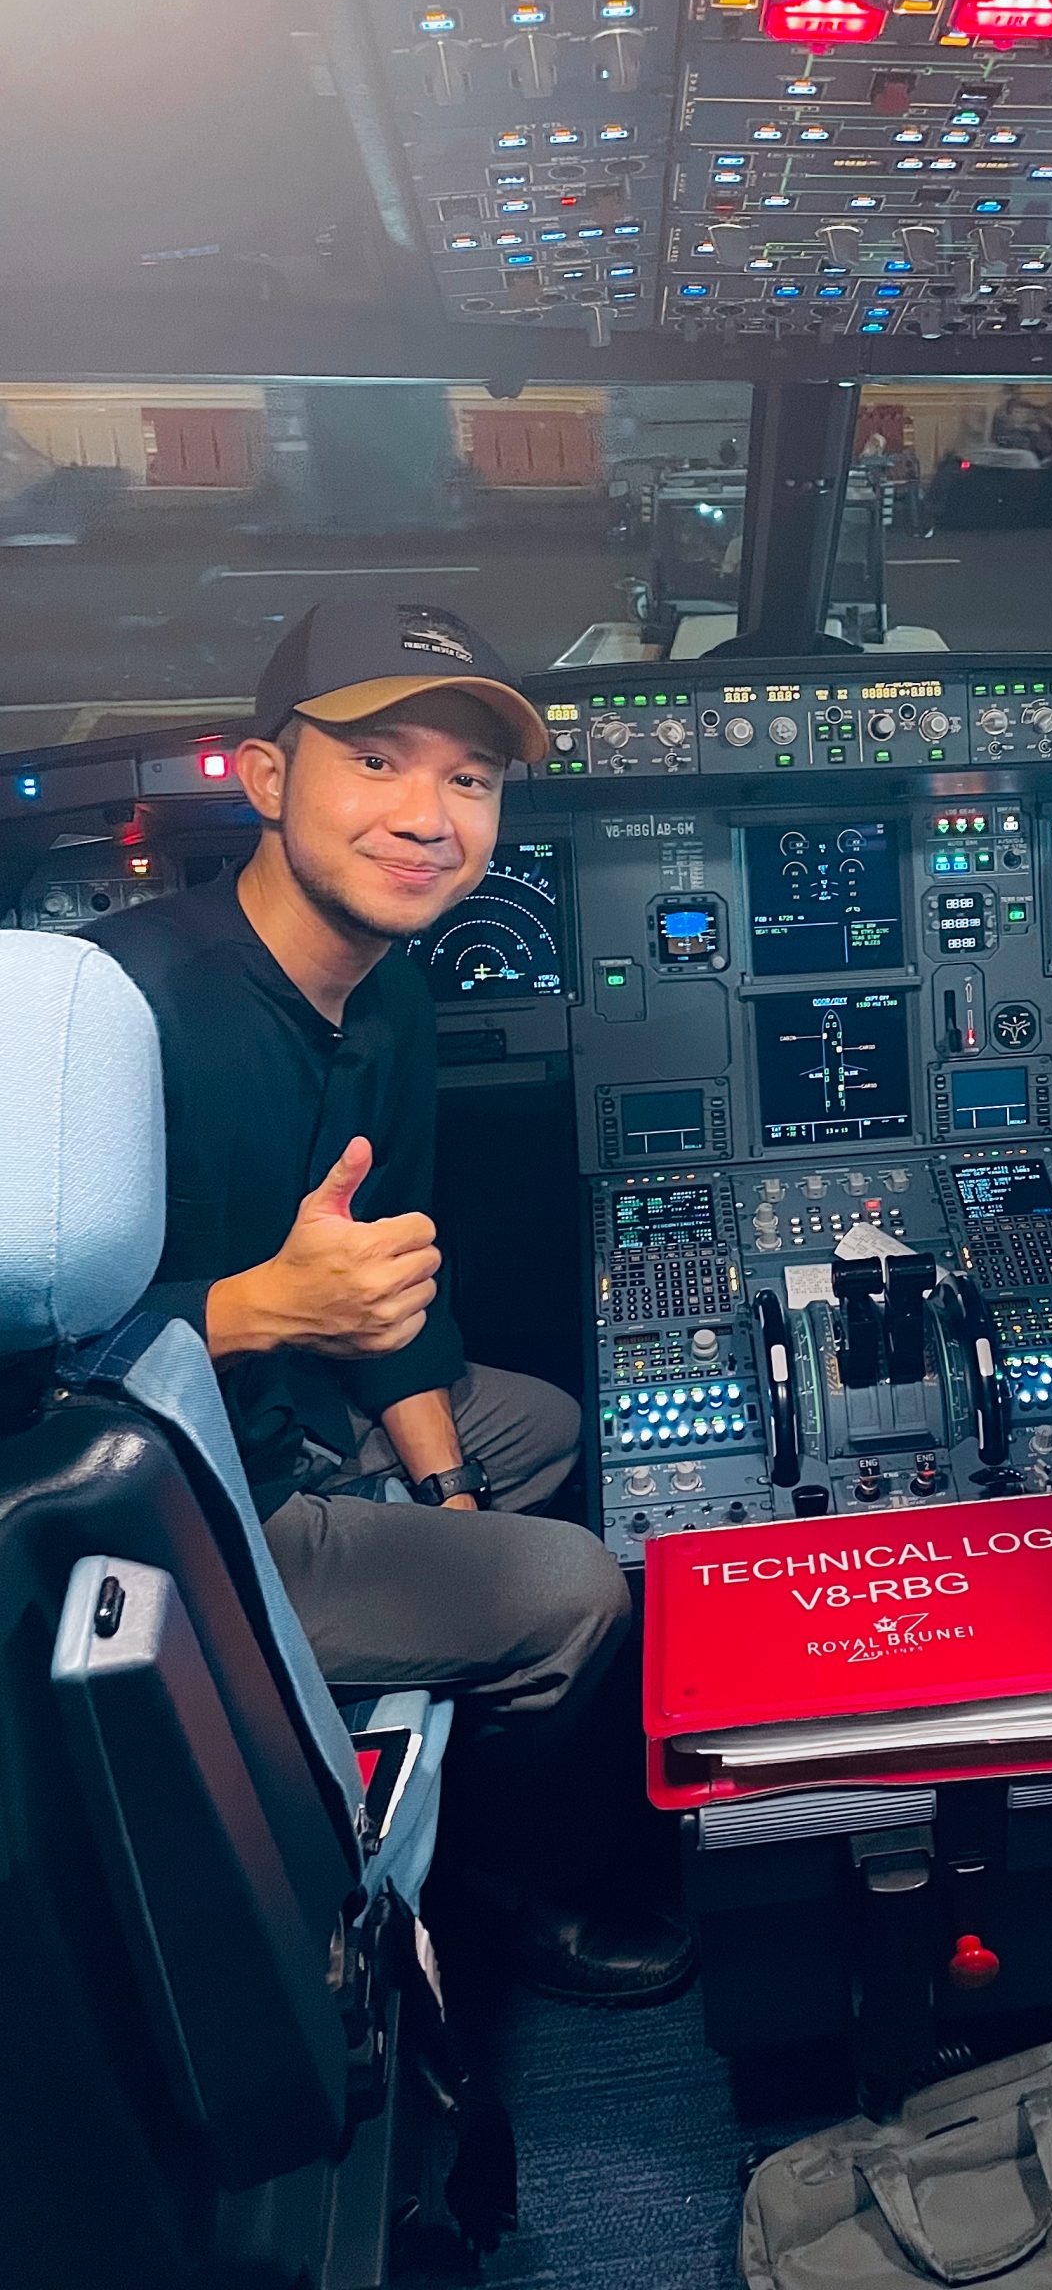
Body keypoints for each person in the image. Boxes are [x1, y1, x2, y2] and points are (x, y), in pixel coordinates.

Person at [91, 599, 691, 2002]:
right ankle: (511, 1888)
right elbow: (33, 1372)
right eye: (377, 760)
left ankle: (439, 1648)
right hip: (175, 1504)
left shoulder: (391, 997)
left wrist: (451, 1496)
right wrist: (255, 1309)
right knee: (574, 1592)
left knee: (549, 1425)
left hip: (282, 1409)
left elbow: (393, 1290)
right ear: (265, 777)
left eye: (468, 779)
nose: (428, 816)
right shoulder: (124, 1013)